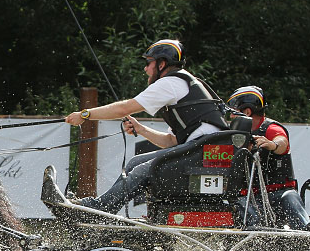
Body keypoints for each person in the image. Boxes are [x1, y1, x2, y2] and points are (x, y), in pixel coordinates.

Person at [49, 39, 228, 214]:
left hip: (205, 152)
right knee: (135, 162)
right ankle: (99, 208)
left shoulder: (170, 83)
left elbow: (124, 108)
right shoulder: (181, 84)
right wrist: (141, 129)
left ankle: (98, 210)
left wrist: (85, 114)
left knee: (145, 170)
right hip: (200, 149)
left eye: (148, 63)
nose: (145, 68)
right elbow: (170, 141)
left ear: (162, 64)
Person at [226, 85, 310, 229]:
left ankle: (308, 236)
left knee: (290, 198)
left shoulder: (271, 128)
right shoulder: (233, 134)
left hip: (278, 193)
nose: (231, 117)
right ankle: (253, 237)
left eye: (234, 112)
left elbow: (282, 142)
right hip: (249, 198)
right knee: (241, 204)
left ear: (247, 111)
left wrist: (272, 145)